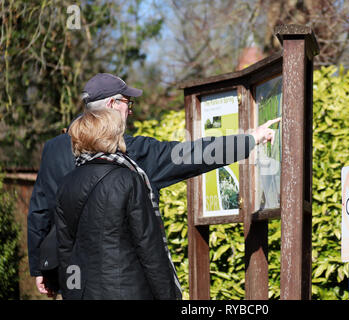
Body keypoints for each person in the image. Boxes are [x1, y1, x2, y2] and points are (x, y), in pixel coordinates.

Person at [27, 73, 279, 297]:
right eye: (128, 103)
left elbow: (41, 209)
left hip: (76, 283)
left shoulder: (54, 149)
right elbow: (192, 155)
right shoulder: (130, 153)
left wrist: (41, 267)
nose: (130, 111)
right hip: (125, 283)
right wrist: (250, 139)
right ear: (113, 105)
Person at [56, 108, 180, 299]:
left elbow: (66, 250)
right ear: (111, 136)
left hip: (84, 292)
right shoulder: (128, 178)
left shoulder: (66, 183)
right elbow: (149, 248)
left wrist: (71, 292)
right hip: (128, 290)